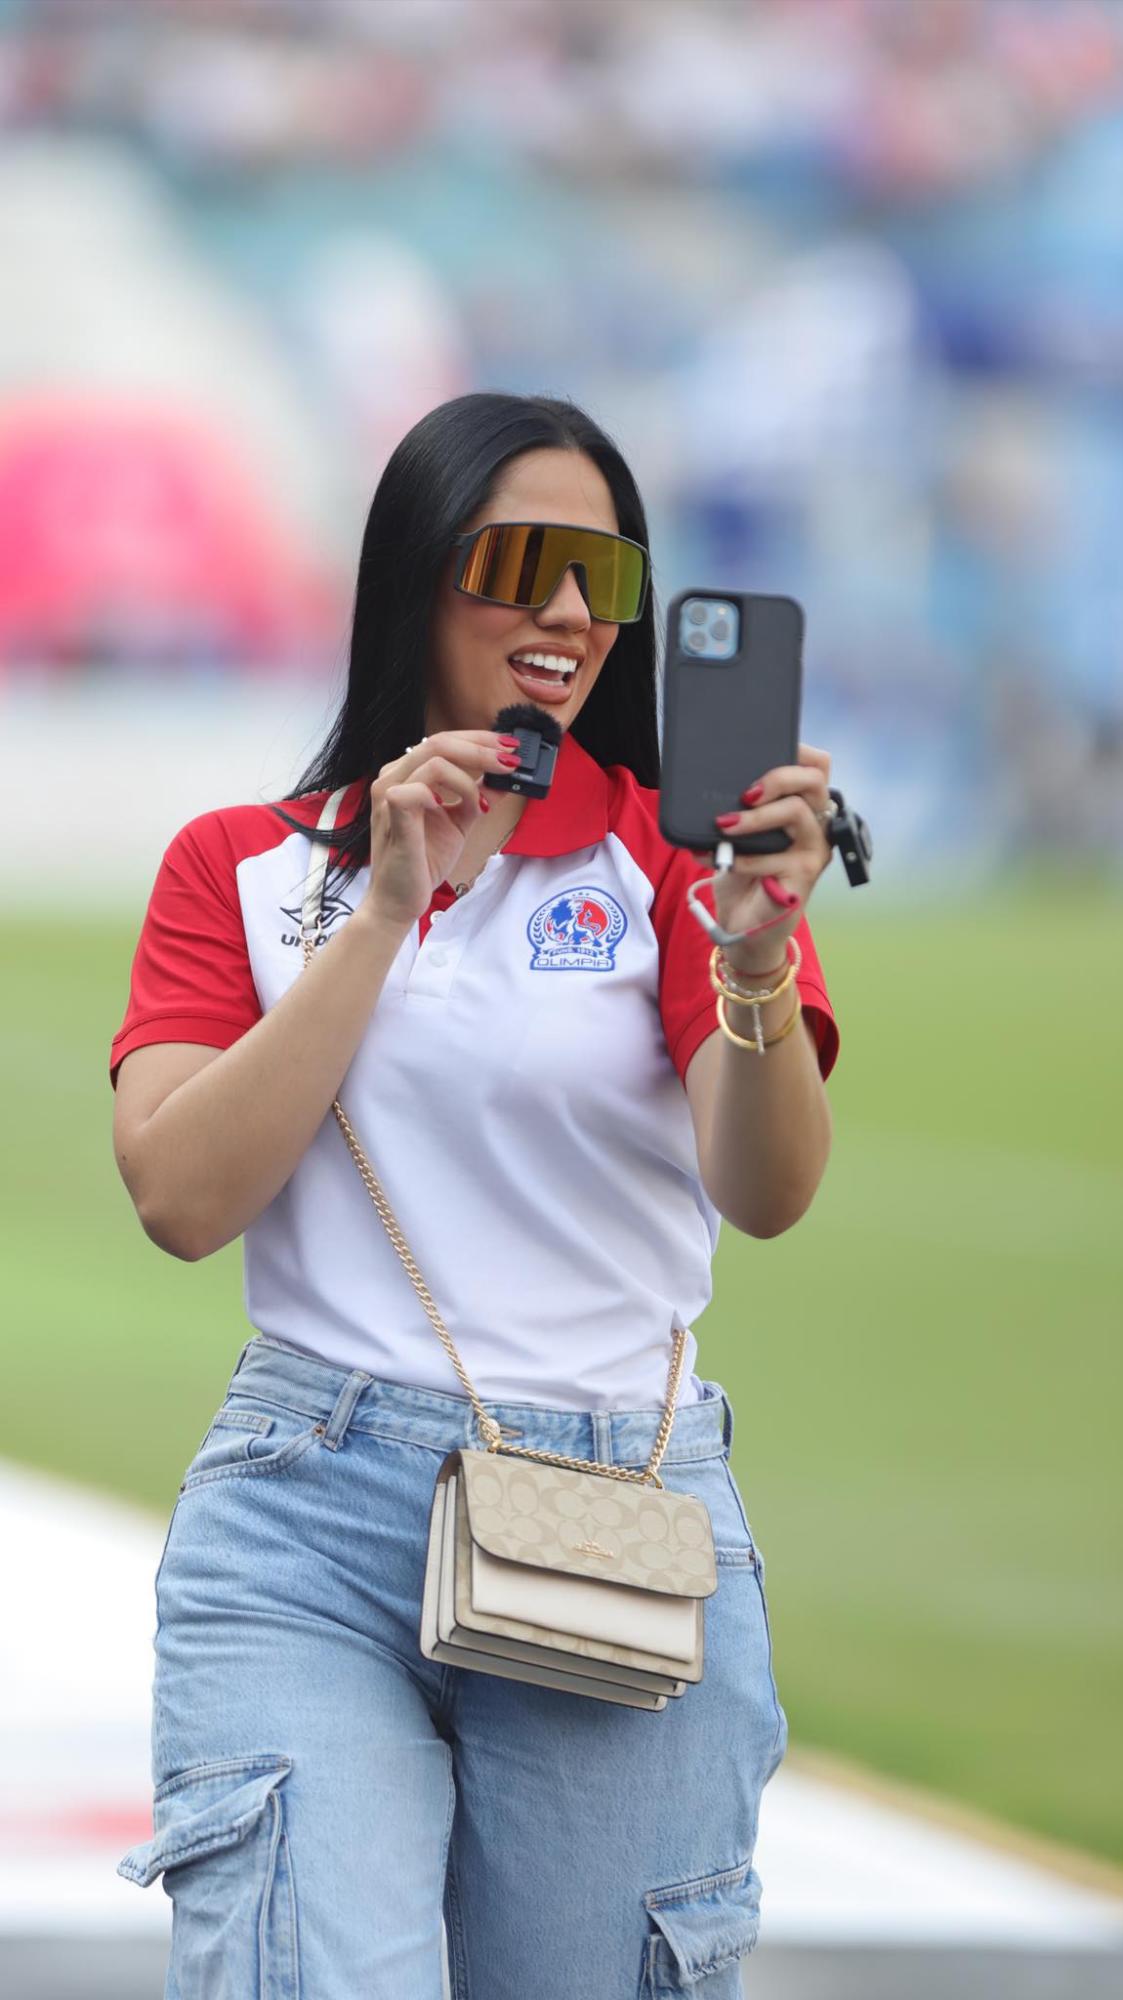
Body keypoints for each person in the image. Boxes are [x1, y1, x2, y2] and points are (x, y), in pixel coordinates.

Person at [109, 392, 839, 1998]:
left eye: (605, 573)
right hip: (308, 1516)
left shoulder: (675, 871)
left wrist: (760, 958)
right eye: (523, 563)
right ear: (415, 579)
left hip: (619, 1515)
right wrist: (380, 909)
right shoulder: (242, 863)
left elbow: (767, 1188)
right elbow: (179, 1193)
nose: (570, 614)